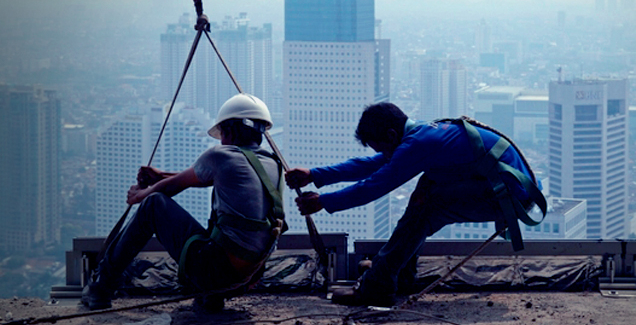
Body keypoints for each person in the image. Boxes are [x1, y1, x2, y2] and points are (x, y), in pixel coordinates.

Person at [287, 102, 545, 306]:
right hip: (503, 188)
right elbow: (376, 164)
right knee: (425, 193)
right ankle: (395, 273)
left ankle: (378, 287)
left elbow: (374, 186)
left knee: (428, 203)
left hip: (510, 197)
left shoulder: (419, 144)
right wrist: (315, 175)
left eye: (382, 147)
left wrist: (323, 202)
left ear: (391, 134)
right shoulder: (420, 134)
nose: (384, 154)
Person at [82, 93, 286, 311]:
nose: (222, 140)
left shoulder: (221, 155)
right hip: (249, 279)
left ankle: (101, 287)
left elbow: (171, 187)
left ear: (230, 130)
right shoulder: (273, 164)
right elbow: (199, 178)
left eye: (223, 134)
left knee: (154, 205)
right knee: (225, 233)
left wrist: (139, 195)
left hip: (215, 274)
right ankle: (210, 297)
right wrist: (160, 176)